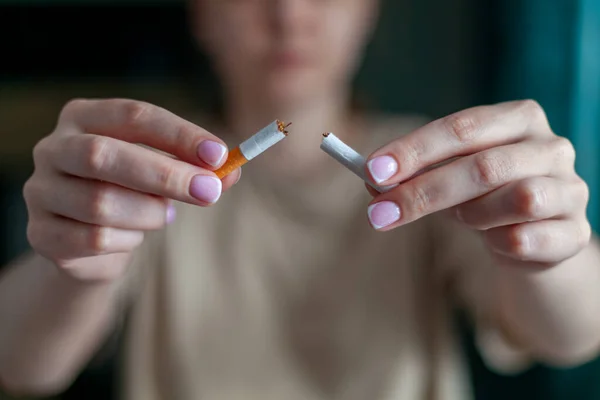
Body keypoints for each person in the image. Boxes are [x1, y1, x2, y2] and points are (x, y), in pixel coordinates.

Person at [1, 0, 600, 399]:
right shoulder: (152, 176)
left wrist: (552, 249)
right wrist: (76, 262)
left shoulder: (442, 173)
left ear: (368, 11)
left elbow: (571, 333)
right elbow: (21, 364)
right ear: (202, 14)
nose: (289, 15)